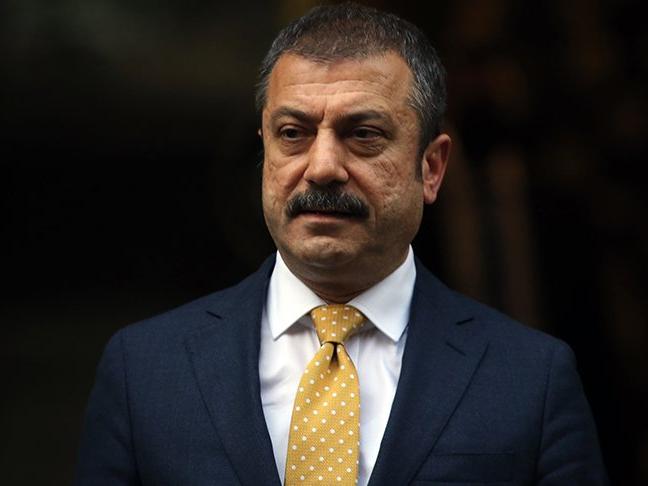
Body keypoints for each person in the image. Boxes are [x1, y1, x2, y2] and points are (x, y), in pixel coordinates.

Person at [75, 3, 608, 485]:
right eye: (293, 133)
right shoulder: (145, 370)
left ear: (431, 167)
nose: (323, 167)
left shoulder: (531, 379)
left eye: (363, 134)